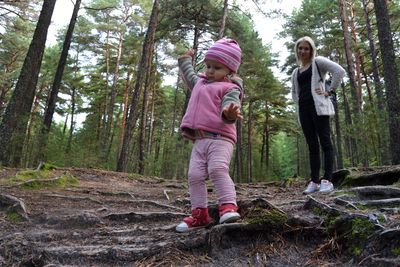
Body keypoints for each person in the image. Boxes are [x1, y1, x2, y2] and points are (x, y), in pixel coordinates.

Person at [175, 38, 243, 232]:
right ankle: (199, 215)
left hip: (221, 138)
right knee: (194, 176)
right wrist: (185, 60)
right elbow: (189, 75)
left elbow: (230, 104)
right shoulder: (200, 82)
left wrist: (229, 113)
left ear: (230, 71)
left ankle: (228, 206)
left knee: (217, 169)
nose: (210, 71)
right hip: (200, 139)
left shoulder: (230, 88)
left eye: (217, 68)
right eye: (208, 66)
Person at [291, 36, 345, 194]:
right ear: (297, 50)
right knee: (312, 146)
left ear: (311, 50)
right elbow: (295, 92)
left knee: (325, 143)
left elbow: (339, 71)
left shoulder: (318, 62)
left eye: (306, 48)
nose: (303, 51)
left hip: (319, 108)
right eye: (300, 48)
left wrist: (330, 91)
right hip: (304, 109)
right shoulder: (296, 71)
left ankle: (327, 180)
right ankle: (314, 181)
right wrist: (299, 102)